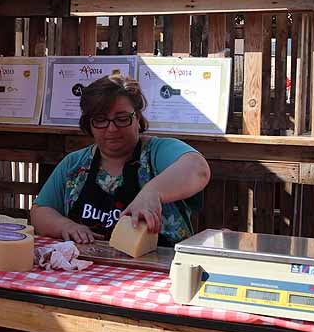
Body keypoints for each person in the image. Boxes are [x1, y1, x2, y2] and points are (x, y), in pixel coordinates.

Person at [31, 73, 210, 246]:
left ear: (137, 118)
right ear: (89, 124)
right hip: (87, 268)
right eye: (100, 120)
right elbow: (40, 212)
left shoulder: (158, 152)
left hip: (158, 270)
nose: (112, 129)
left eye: (122, 118)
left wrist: (151, 193)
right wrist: (65, 226)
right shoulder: (75, 164)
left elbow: (198, 168)